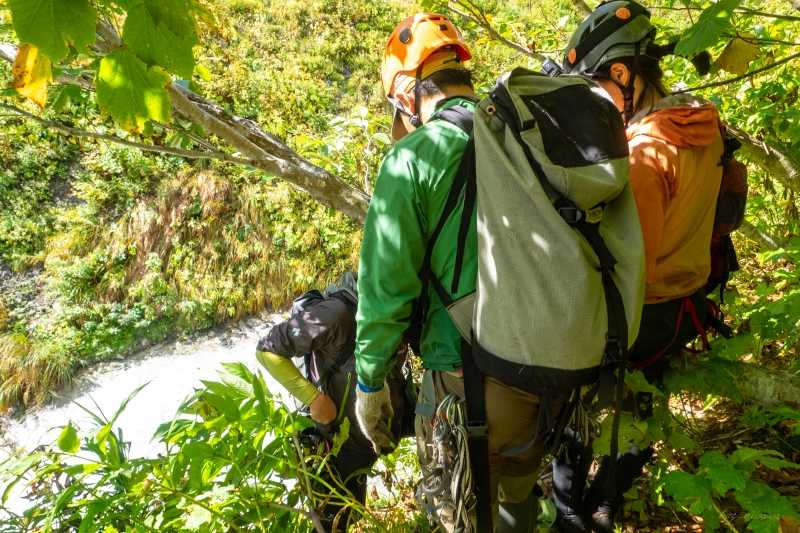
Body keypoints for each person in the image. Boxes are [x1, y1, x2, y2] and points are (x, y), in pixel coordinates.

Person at [353, 13, 548, 532]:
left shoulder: (411, 159)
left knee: (460, 514)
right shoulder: (525, 134)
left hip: (464, 382)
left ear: (407, 94)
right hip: (546, 371)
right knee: (518, 503)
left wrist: (370, 385)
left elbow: (385, 293)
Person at [552, 2, 727, 531]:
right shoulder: (701, 125)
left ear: (623, 75)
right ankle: (609, 499)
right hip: (686, 303)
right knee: (647, 410)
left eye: (597, 87)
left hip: (643, 312)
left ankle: (571, 513)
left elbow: (629, 263)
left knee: (573, 405)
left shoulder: (647, 153)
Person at [255, 272, 411, 532]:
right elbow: (267, 349)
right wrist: (314, 399)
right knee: (333, 520)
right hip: (340, 442)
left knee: (352, 511)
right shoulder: (337, 315)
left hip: (371, 435)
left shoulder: (397, 312)